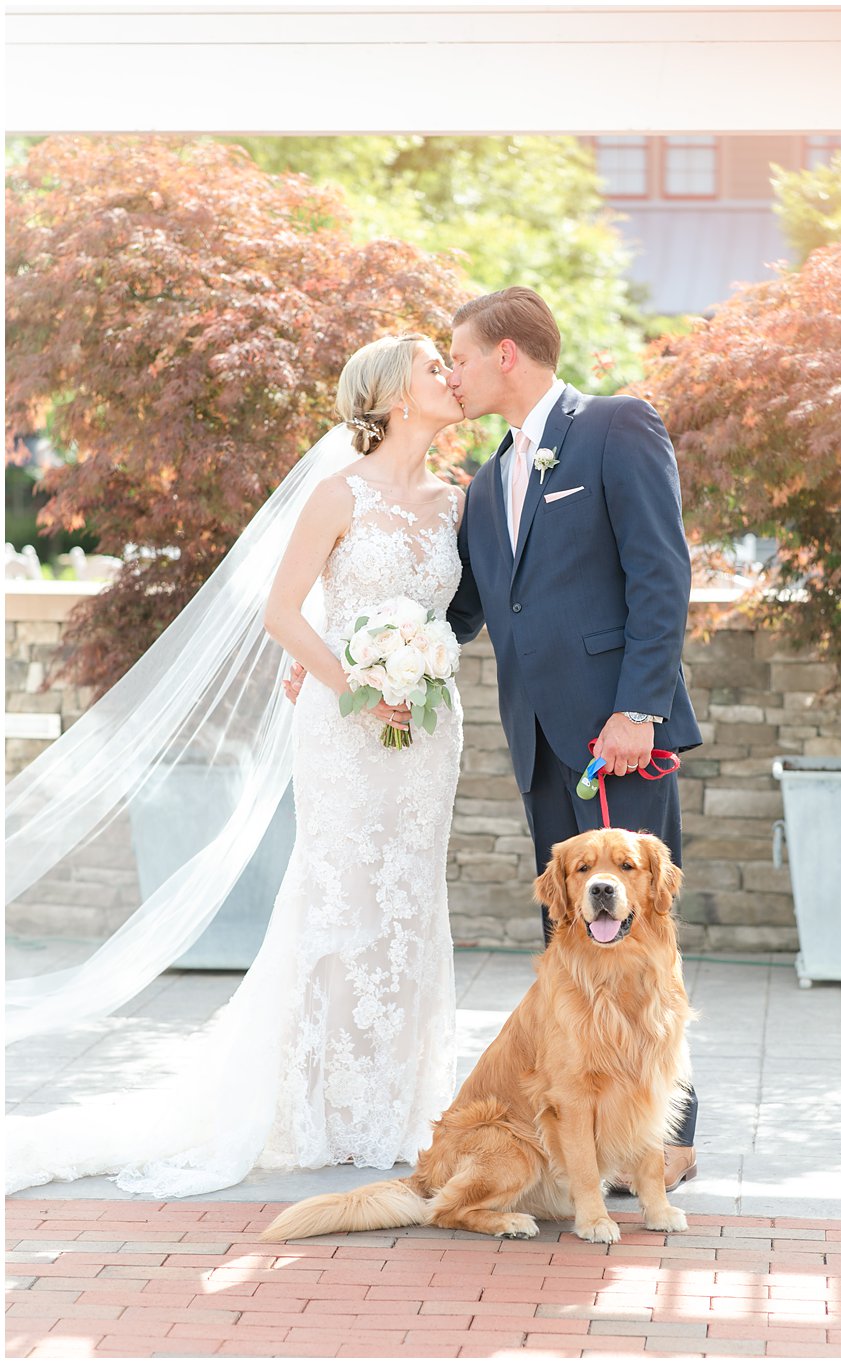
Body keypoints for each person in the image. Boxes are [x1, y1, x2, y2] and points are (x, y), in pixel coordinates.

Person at [8, 334, 471, 1195]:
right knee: (339, 895)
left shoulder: (456, 502)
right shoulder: (338, 495)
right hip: (346, 722)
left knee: (410, 896)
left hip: (429, 733)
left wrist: (423, 668)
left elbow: (467, 607)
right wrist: (359, 687)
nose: (451, 376)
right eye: (433, 366)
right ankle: (313, 1106)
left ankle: (393, 1109)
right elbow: (283, 613)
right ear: (393, 395)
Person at [441, 286, 705, 1189]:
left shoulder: (616, 426)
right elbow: (466, 610)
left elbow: (661, 570)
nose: (452, 373)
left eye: (460, 357)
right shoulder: (482, 485)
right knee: (570, 940)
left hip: (617, 737)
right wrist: (355, 649)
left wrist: (641, 708)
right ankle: (583, 1137)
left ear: (507, 353)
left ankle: (667, 1138)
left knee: (644, 929)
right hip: (538, 743)